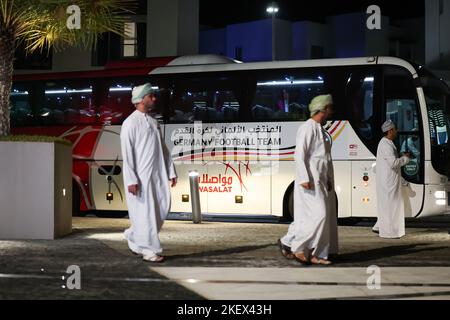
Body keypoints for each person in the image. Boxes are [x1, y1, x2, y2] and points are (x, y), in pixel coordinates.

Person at [278, 94, 338, 265]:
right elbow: (299, 155)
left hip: (320, 181)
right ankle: (297, 247)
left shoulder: (321, 129)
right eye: (330, 108)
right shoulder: (307, 128)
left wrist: (327, 179)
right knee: (319, 215)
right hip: (310, 181)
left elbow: (324, 158)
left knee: (312, 218)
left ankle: (314, 252)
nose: (332, 111)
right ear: (323, 109)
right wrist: (304, 178)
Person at [120, 83, 177, 262]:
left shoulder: (154, 122)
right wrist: (131, 180)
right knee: (146, 214)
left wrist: (171, 171)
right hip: (140, 178)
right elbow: (127, 154)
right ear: (141, 99)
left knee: (161, 208)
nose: (154, 98)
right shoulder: (130, 123)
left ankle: (134, 235)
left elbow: (163, 149)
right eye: (150, 95)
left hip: (157, 175)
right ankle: (149, 251)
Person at [372, 120, 410, 238]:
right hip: (388, 183)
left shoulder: (387, 143)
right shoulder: (385, 144)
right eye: (395, 129)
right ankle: (389, 233)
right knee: (390, 207)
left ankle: (381, 227)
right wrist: (405, 158)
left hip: (390, 181)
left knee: (390, 207)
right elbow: (393, 163)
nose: (396, 131)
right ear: (390, 131)